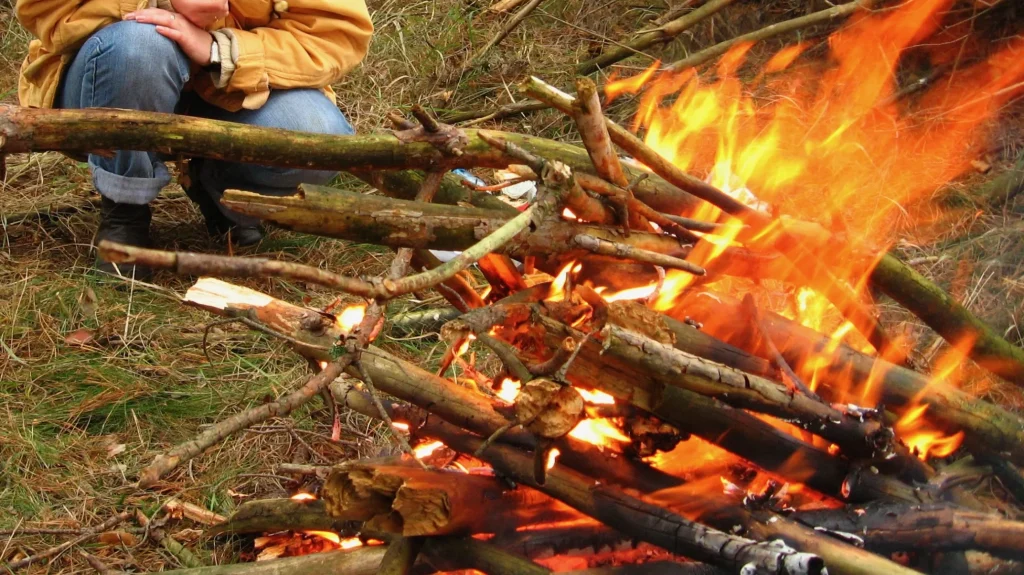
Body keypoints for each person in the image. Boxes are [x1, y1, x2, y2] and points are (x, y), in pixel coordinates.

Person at [14, 0, 374, 278]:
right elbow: (46, 10)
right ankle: (124, 210)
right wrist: (166, 5)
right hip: (114, 69)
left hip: (235, 86)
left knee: (312, 135)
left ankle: (218, 187)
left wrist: (218, 48)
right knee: (140, 48)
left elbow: (335, 34)